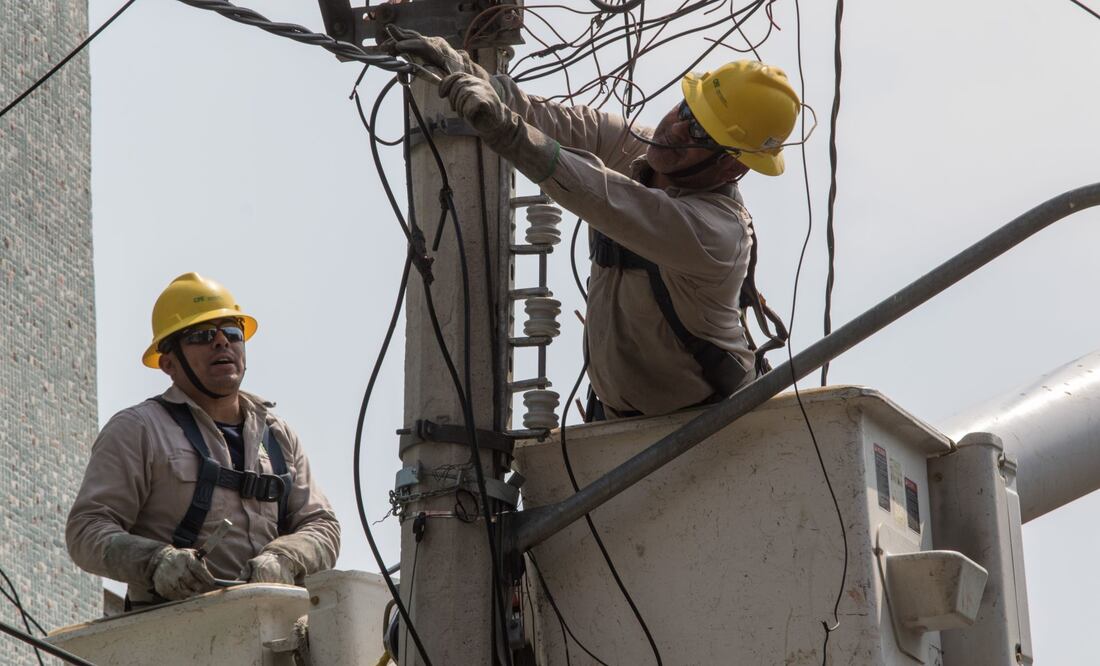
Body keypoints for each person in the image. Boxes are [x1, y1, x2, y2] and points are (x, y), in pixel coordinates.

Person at [390, 31, 799, 419]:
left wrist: (508, 131)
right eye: (687, 110)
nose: (674, 129)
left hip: (710, 429)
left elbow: (603, 195)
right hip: (617, 424)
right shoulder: (644, 149)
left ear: (730, 164)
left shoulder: (717, 233)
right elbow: (556, 122)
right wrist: (471, 74)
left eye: (699, 133)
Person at [66, 273, 340, 606]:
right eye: (203, 335)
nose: (222, 342)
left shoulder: (278, 437)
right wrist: (156, 561)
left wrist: (284, 558)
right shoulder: (139, 430)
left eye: (233, 332)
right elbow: (86, 530)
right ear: (169, 363)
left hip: (270, 629)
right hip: (172, 633)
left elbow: (322, 525)